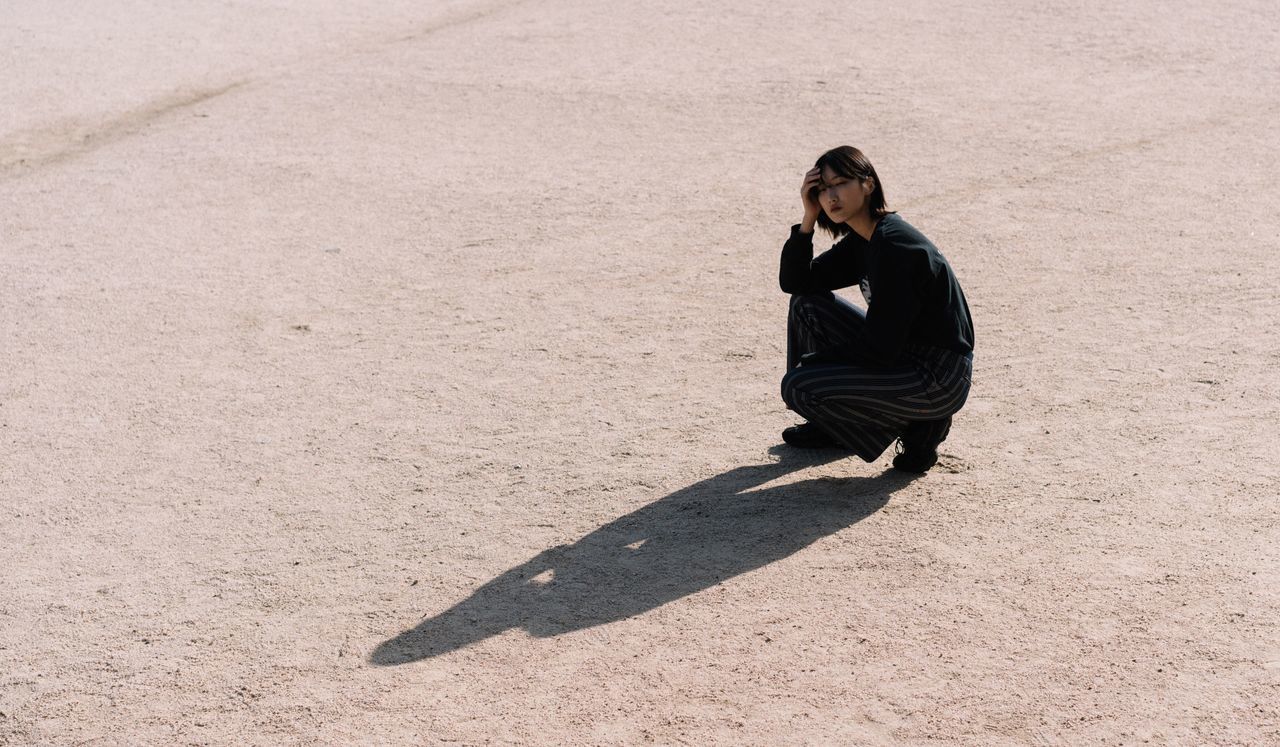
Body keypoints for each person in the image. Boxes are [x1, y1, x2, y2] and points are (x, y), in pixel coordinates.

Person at [778, 145, 974, 473]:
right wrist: (808, 219)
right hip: (904, 356)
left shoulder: (896, 246)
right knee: (806, 306)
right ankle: (834, 426)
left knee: (799, 385)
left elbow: (879, 349)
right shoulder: (865, 240)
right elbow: (798, 282)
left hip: (937, 378)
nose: (830, 196)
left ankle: (920, 428)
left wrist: (812, 366)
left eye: (839, 183)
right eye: (822, 189)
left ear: (868, 184)